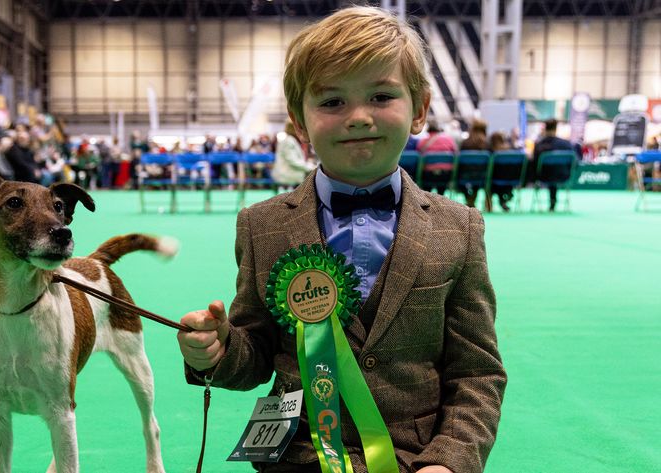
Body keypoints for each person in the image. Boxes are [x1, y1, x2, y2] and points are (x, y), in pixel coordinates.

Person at [177, 7, 505, 473]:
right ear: (298, 121)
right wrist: (218, 350)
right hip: (297, 457)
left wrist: (449, 461)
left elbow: (478, 372)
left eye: (381, 96)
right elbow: (256, 350)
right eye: (332, 102)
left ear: (420, 110)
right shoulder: (260, 225)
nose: (358, 117)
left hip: (416, 461)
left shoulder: (461, 228)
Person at [531, 119, 580, 211]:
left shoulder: (539, 144)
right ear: (556, 128)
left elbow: (534, 163)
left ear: (545, 129)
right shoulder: (566, 144)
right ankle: (553, 201)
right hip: (563, 176)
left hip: (543, 176)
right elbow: (575, 162)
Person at [272, 119, 315, 192]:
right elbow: (293, 161)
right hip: (288, 176)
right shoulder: (289, 141)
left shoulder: (290, 140)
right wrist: (310, 166)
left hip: (289, 175)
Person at [416, 120, 458, 195]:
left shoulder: (423, 142)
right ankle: (441, 199)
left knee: (426, 189)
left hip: (428, 175)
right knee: (441, 189)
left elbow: (419, 155)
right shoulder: (449, 140)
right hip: (446, 175)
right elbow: (456, 154)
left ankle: (427, 200)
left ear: (428, 130)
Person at [458, 119, 490, 209]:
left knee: (459, 180)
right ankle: (471, 200)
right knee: (479, 180)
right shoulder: (487, 144)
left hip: (464, 176)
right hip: (483, 176)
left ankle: (469, 200)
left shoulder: (465, 143)